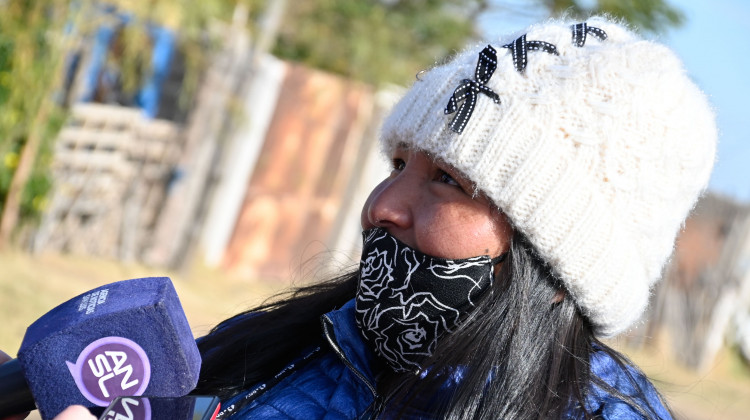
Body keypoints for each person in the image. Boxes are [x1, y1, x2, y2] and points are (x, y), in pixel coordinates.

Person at [2, 15, 716, 419]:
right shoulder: (290, 347)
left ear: (561, 264)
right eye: (396, 166)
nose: (381, 207)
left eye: (446, 182)